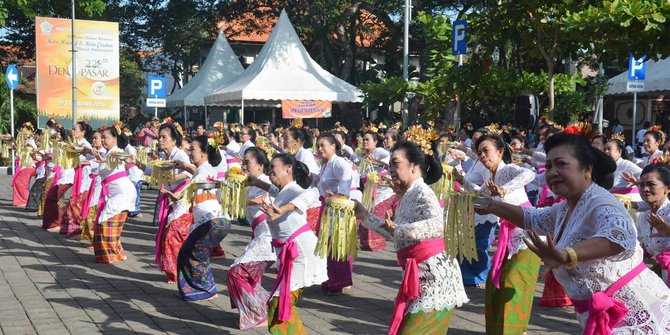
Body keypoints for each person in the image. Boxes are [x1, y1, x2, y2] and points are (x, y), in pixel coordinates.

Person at [476, 133, 670, 333]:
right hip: (602, 317)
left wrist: (567, 254)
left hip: (640, 314)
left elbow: (620, 237)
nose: (552, 172)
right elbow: (532, 218)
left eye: (561, 164)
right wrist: (491, 205)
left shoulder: (600, 201)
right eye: (549, 166)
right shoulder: (565, 208)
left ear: (587, 169)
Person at [353, 141, 468, 334]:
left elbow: (439, 225)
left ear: (414, 166)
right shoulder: (408, 194)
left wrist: (399, 229)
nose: (390, 169)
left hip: (435, 280)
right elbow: (395, 233)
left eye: (395, 163)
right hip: (420, 278)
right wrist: (364, 215)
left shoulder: (423, 192)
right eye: (389, 164)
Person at [456, 134, 538, 334]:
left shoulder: (507, 170)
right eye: (480, 152)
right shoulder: (490, 179)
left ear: (500, 152)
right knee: (495, 286)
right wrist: (459, 179)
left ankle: (515, 331)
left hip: (528, 237)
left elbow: (529, 175)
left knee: (513, 285)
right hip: (510, 237)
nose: (483, 156)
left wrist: (503, 190)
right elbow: (479, 193)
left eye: (487, 151)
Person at [258, 153, 328, 334]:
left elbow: (309, 195)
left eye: (273, 165)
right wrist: (254, 181)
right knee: (282, 303)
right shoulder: (282, 191)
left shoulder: (297, 190)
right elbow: (273, 190)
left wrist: (284, 209)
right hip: (291, 255)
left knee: (279, 303)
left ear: (288, 168)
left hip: (302, 254)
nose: (269, 170)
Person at [175, 135, 231, 301]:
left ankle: (205, 290)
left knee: (191, 254)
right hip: (217, 220)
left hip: (210, 221)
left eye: (193, 149)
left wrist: (176, 207)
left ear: (204, 153)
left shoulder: (204, 171)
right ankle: (205, 288)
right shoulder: (206, 169)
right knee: (196, 253)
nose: (189, 152)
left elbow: (193, 189)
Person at [227, 147, 276, 329]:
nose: (244, 166)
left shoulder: (265, 182)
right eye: (243, 162)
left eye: (248, 162)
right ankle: (259, 311)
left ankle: (260, 311)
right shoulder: (247, 184)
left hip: (269, 240)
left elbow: (268, 198)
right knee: (249, 277)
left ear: (261, 166)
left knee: (237, 273)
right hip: (259, 238)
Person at [312, 133, 354, 295]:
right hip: (328, 207)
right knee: (328, 245)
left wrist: (338, 195)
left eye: (323, 145)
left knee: (336, 244)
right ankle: (331, 279)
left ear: (333, 146)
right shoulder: (325, 164)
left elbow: (346, 181)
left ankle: (339, 282)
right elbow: (319, 181)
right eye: (318, 146)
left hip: (339, 209)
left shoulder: (340, 163)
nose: (320, 148)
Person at [91, 124, 137, 263]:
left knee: (106, 225)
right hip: (114, 193)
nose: (103, 140)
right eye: (102, 138)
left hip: (122, 193)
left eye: (106, 138)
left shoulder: (116, 151)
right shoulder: (107, 153)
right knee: (107, 225)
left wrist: (105, 160)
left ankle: (113, 255)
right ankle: (116, 254)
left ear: (115, 139)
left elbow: (129, 158)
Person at [155, 121, 193, 283]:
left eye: (164, 137)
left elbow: (191, 174)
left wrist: (172, 179)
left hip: (183, 198)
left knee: (172, 234)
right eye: (159, 137)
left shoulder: (180, 155)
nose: (160, 140)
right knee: (168, 234)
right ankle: (173, 271)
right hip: (171, 197)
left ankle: (179, 271)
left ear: (173, 140)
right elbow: (154, 171)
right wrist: (137, 163)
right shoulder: (165, 156)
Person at [636, 163, 670, 286]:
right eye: (642, 185)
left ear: (667, 188)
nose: (645, 189)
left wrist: (668, 231)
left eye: (651, 184)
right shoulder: (644, 216)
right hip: (658, 276)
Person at [60, 121, 94, 237]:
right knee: (74, 202)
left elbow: (93, 161)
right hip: (79, 174)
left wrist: (80, 160)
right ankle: (73, 229)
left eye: (75, 129)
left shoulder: (86, 145)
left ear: (82, 132)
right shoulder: (76, 144)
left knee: (76, 202)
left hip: (85, 176)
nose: (72, 131)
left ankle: (77, 229)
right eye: (73, 129)